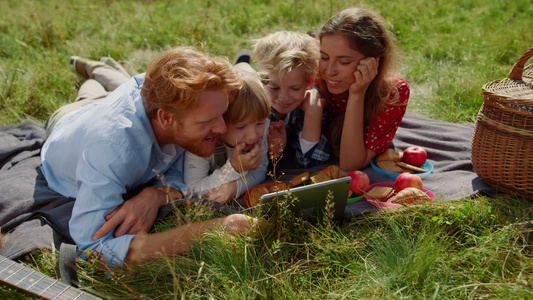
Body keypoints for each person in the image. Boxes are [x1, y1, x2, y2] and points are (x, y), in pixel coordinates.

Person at [41, 47, 257, 266]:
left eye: (222, 114)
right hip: (67, 122)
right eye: (207, 121)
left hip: (113, 105)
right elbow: (93, 247)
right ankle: (93, 70)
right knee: (88, 95)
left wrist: (156, 194)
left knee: (113, 87)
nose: (222, 128)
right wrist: (208, 230)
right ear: (166, 119)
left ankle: (98, 69)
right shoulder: (111, 150)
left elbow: (178, 172)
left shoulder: (172, 98)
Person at [316, 7, 410, 171]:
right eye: (324, 57)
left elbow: (350, 164)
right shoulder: (315, 74)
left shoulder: (392, 93)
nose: (329, 71)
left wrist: (357, 94)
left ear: (373, 62)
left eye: (344, 62)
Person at [184, 70, 271, 204]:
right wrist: (234, 168)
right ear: (219, 122)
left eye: (259, 123)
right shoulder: (202, 140)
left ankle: (243, 63)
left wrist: (235, 187)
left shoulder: (263, 128)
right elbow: (192, 189)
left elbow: (260, 170)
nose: (253, 136)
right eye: (241, 127)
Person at [252, 31, 330, 169]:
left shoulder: (311, 104)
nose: (284, 97)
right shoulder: (252, 109)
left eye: (295, 89)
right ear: (262, 80)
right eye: (274, 88)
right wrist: (271, 155)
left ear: (308, 83)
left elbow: (308, 163)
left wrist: (313, 113)